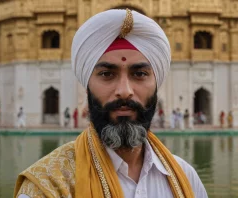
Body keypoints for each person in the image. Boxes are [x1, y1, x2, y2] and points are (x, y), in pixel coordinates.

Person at [14, 9, 207, 198]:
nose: (124, 90)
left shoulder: (185, 179)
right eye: (107, 74)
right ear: (87, 84)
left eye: (139, 74)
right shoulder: (49, 187)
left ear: (156, 84)